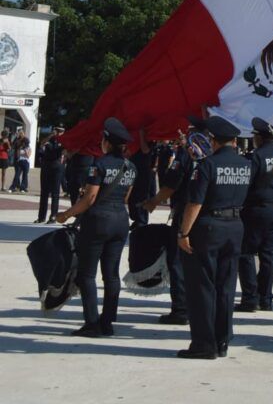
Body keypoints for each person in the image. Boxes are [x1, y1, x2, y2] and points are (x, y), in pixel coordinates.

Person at [177, 115, 252, 359]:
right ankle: (222, 341)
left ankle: (203, 344)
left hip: (209, 227)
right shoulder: (245, 165)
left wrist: (184, 232)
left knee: (202, 287)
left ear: (213, 140)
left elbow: (194, 203)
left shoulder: (207, 165)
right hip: (235, 225)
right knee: (226, 287)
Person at [56, 117, 136, 337]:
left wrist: (66, 214)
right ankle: (108, 322)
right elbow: (126, 197)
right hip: (120, 220)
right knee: (111, 275)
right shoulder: (131, 167)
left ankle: (92, 323)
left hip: (98, 221)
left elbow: (90, 198)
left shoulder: (99, 164)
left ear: (106, 142)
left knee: (87, 275)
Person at [142, 123, 205, 326]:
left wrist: (153, 202)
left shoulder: (186, 154)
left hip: (186, 212)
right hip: (207, 216)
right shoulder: (212, 153)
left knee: (178, 262)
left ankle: (181, 309)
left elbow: (171, 184)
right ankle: (200, 306)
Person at [236, 116, 273, 312]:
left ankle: (250, 298)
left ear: (258, 137)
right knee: (268, 255)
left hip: (257, 209)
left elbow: (247, 182)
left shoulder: (256, 156)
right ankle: (265, 298)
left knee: (246, 253)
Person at [35, 126, 66, 224]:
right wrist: (51, 135)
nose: (59, 133)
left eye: (61, 131)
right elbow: (42, 143)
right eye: (57, 131)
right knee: (44, 192)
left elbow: (66, 151)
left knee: (55, 193)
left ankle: (53, 216)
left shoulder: (64, 141)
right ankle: (41, 217)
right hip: (46, 166)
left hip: (57, 167)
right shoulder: (49, 139)